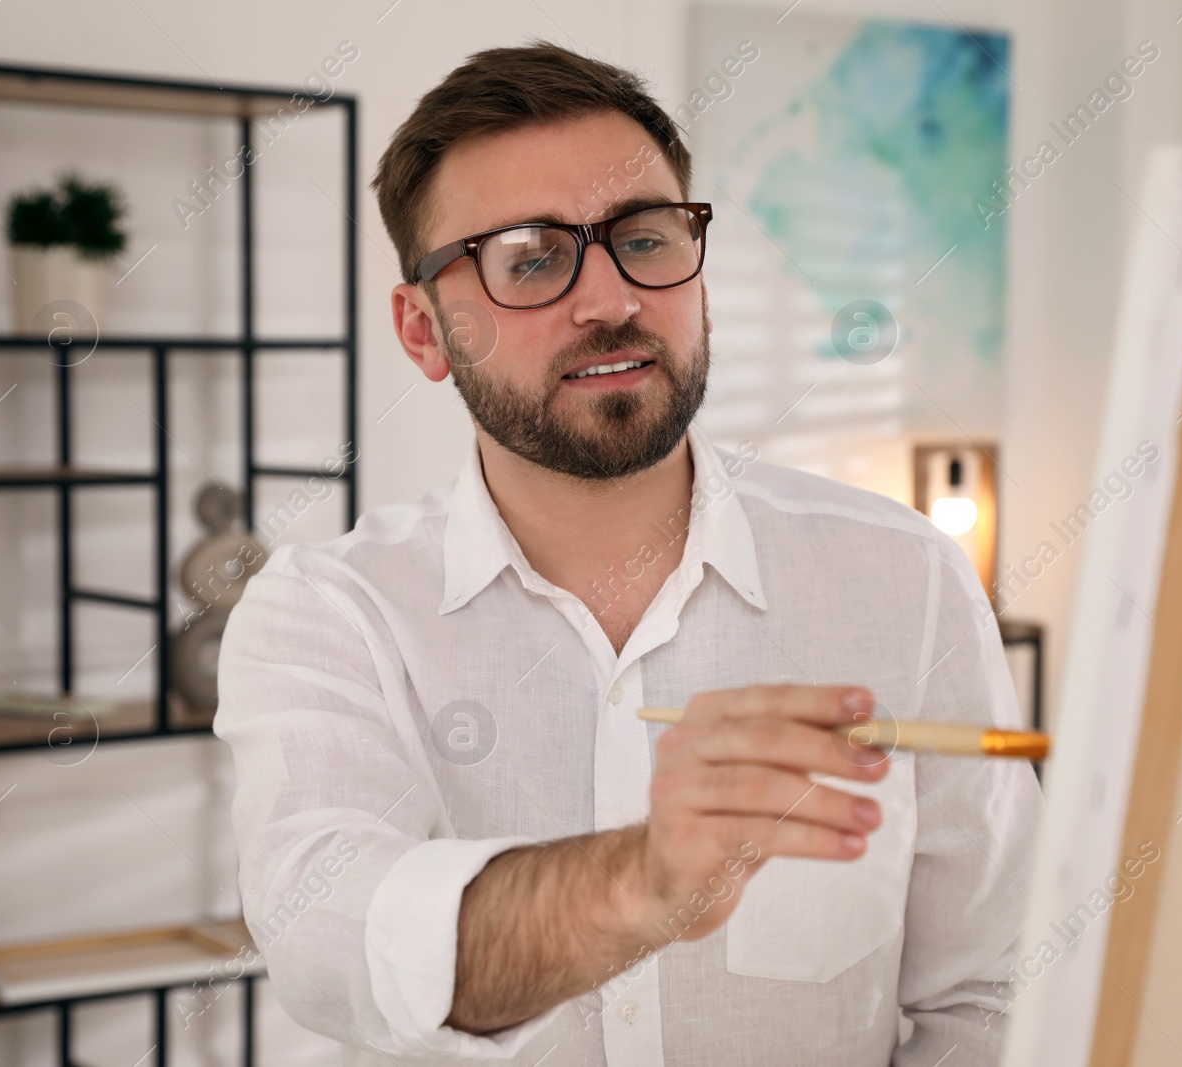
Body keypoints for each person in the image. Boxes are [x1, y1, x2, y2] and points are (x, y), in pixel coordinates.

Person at [215, 40, 1041, 1067]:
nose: (611, 300)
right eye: (530, 257)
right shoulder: (328, 611)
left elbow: (996, 992)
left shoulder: (904, 578)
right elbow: (325, 935)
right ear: (423, 331)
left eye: (645, 239)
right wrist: (641, 881)